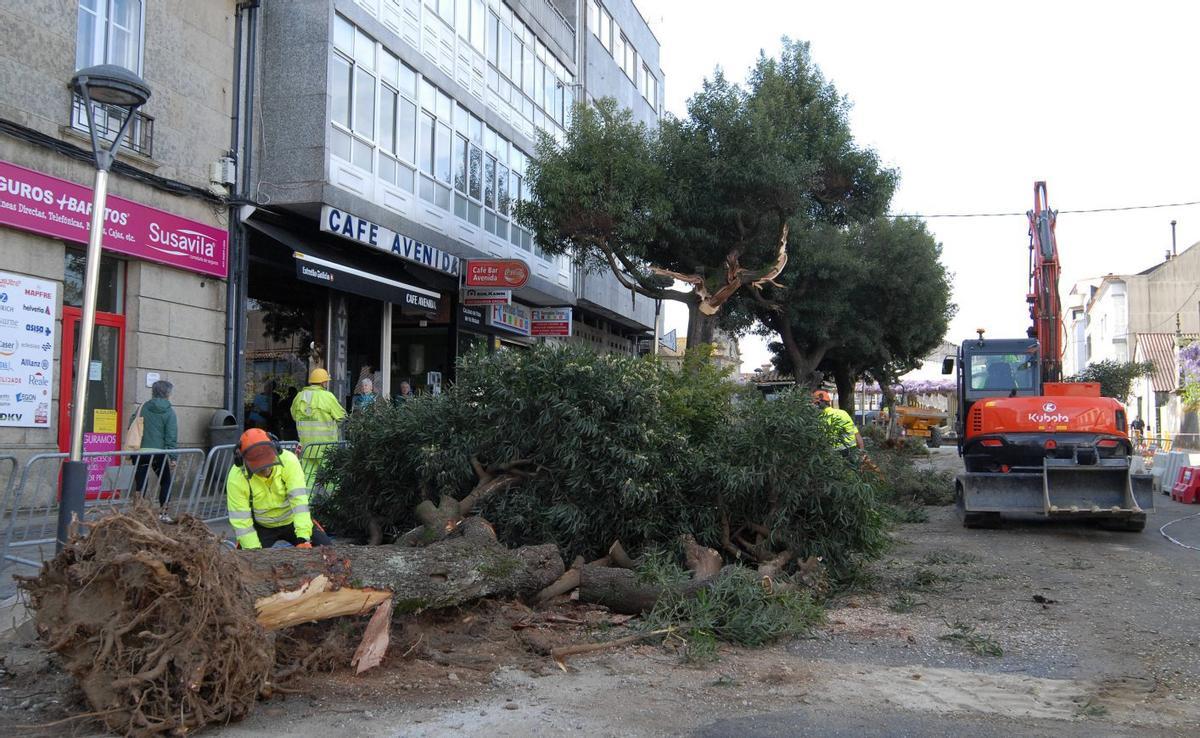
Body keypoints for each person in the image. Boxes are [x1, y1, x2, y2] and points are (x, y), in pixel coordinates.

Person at [226, 429, 332, 550]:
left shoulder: (289, 461)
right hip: (261, 526)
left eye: (268, 463)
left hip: (292, 520)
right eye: (259, 467)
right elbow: (241, 521)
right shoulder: (237, 477)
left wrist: (303, 538)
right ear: (242, 460)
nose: (265, 471)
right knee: (245, 562)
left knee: (327, 550)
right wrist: (254, 551)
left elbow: (299, 503)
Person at [291, 368, 346, 484]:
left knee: (307, 478)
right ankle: (333, 501)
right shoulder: (327, 396)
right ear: (323, 382)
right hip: (326, 447)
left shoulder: (299, 396)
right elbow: (341, 416)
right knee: (331, 477)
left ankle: (306, 501)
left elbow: (294, 416)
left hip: (306, 446)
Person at [134, 379, 178, 506]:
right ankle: (163, 512)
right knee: (165, 482)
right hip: (159, 454)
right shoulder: (170, 412)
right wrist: (173, 457)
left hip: (140, 452)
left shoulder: (142, 408)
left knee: (140, 483)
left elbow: (131, 425)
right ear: (168, 394)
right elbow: (171, 436)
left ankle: (139, 511)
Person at [813, 389, 864, 459]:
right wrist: (862, 452)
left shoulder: (820, 418)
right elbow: (857, 434)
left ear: (818, 403)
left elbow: (820, 441)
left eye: (814, 404)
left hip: (836, 456)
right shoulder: (843, 413)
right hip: (852, 452)